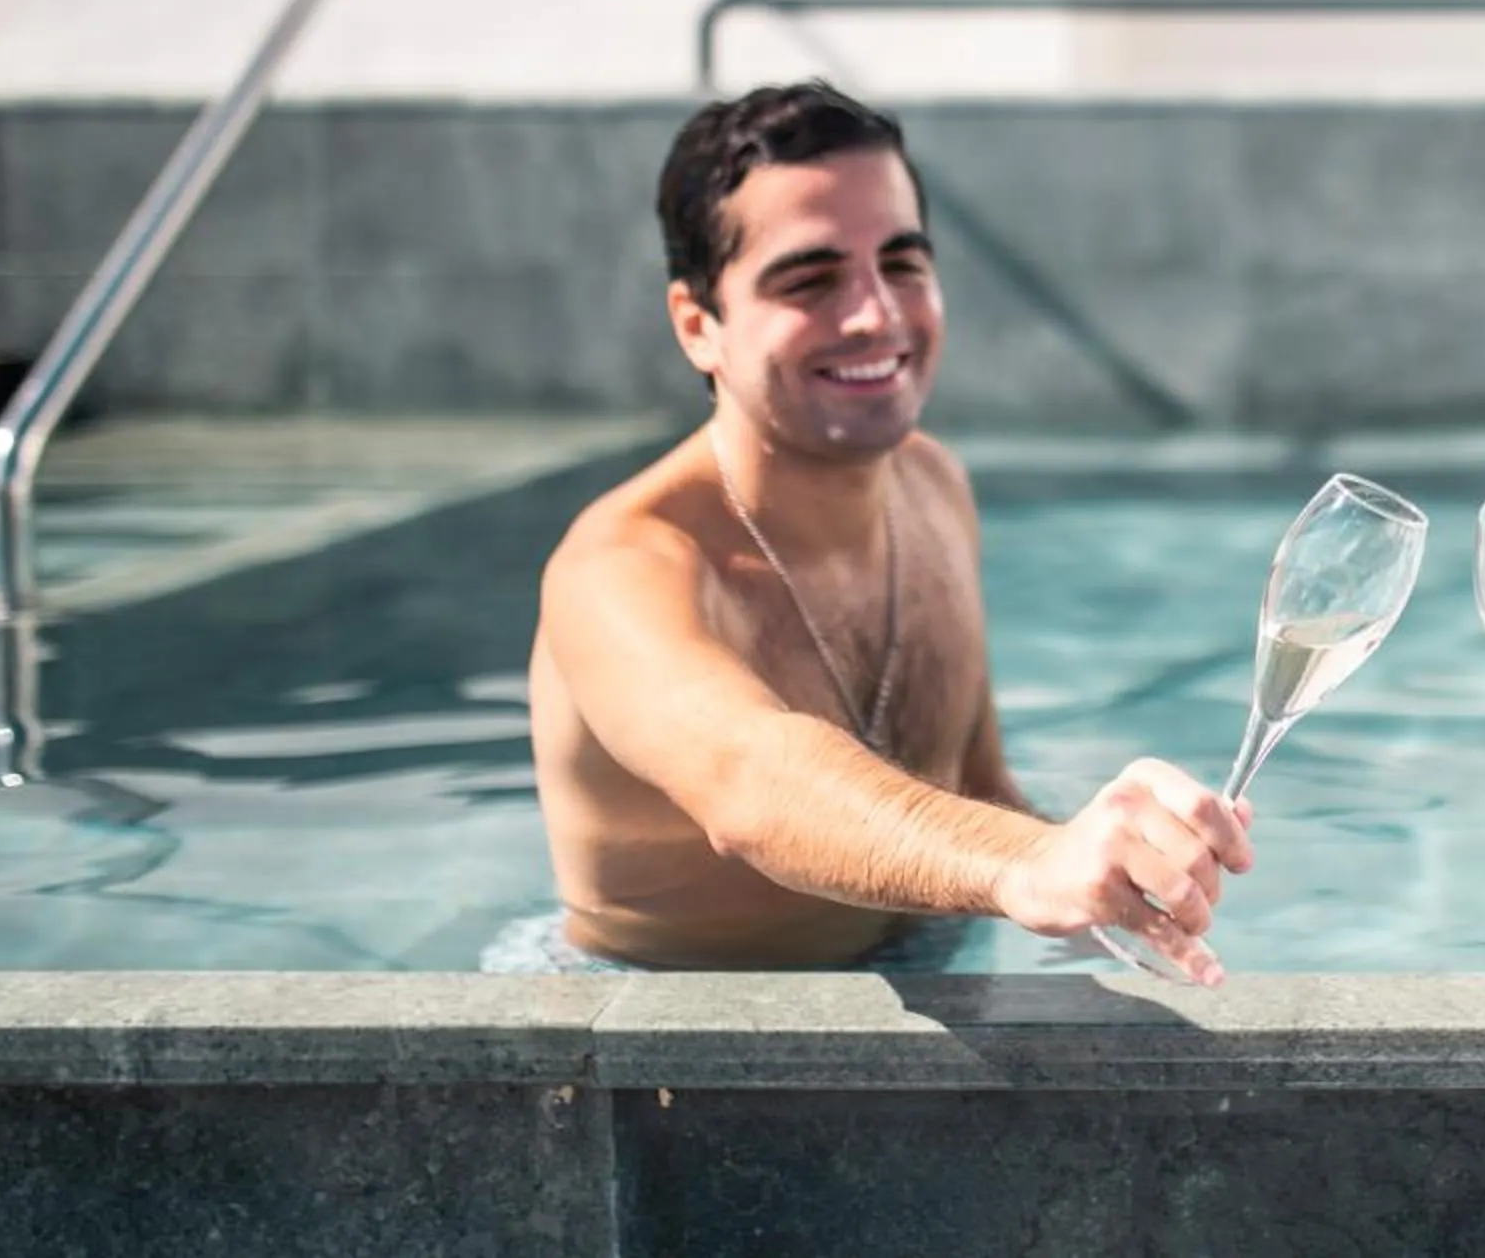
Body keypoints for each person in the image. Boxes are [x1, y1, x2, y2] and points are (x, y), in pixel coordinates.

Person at [485, 81, 1250, 980]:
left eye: (902, 264)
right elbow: (750, 781)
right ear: (699, 326)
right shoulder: (626, 566)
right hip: (655, 1034)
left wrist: (1111, 875)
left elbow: (976, 788)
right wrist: (1022, 865)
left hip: (924, 965)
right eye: (810, 280)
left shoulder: (930, 486)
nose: (876, 315)